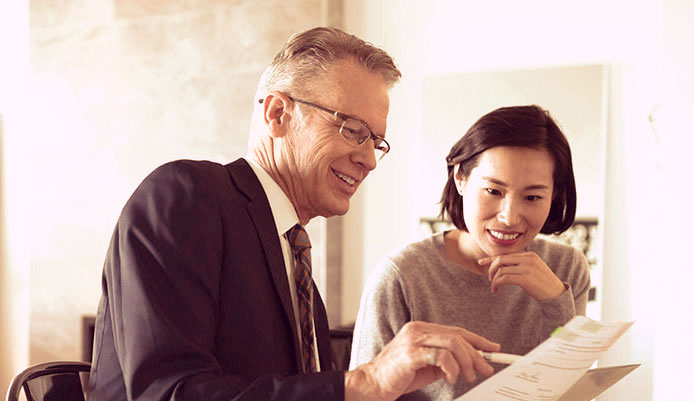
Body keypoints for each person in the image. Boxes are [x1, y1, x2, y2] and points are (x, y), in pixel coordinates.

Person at [86, 27, 502, 401]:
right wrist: (366, 383)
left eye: (376, 142)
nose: (369, 160)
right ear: (277, 114)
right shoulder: (186, 196)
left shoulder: (296, 261)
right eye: (353, 131)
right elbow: (167, 393)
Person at [349, 105, 591, 401]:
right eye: (493, 191)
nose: (509, 217)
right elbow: (362, 395)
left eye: (532, 197)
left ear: (554, 196)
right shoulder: (401, 277)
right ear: (460, 178)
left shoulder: (566, 268)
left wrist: (556, 302)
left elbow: (568, 390)